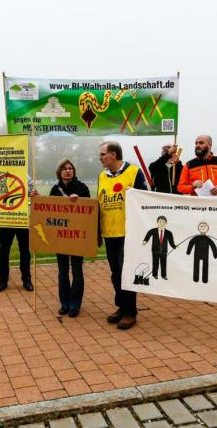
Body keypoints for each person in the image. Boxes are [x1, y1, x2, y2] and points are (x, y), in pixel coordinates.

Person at [98, 141, 148, 330]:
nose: (100, 157)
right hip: (109, 232)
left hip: (127, 232)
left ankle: (130, 312)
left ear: (113, 155)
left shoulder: (133, 172)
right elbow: (100, 203)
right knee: (115, 273)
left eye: (103, 154)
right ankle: (121, 306)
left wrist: (134, 193)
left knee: (126, 272)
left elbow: (145, 199)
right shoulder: (102, 176)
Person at [49, 159, 91, 317]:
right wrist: (37, 197)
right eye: (65, 169)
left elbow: (90, 210)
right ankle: (64, 303)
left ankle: (75, 304)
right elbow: (49, 211)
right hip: (60, 237)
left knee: (77, 270)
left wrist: (78, 200)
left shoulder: (82, 187)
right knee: (62, 271)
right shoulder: (55, 189)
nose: (68, 171)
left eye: (70, 168)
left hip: (77, 237)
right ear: (59, 172)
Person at [0, 177, 37, 292]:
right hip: (5, 218)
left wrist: (33, 192)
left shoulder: (25, 175)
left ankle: (26, 279)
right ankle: (3, 280)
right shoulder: (2, 175)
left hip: (21, 218)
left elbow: (33, 191)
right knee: (4, 250)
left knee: (24, 250)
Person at [142, 216, 177, 280]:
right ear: (157, 222)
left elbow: (171, 242)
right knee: (155, 264)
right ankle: (155, 275)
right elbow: (148, 235)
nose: (162, 223)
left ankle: (164, 275)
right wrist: (145, 241)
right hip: (155, 251)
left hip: (164, 251)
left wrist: (174, 246)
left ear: (166, 223)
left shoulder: (169, 233)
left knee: (163, 264)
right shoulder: (153, 230)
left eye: (163, 222)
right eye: (160, 221)